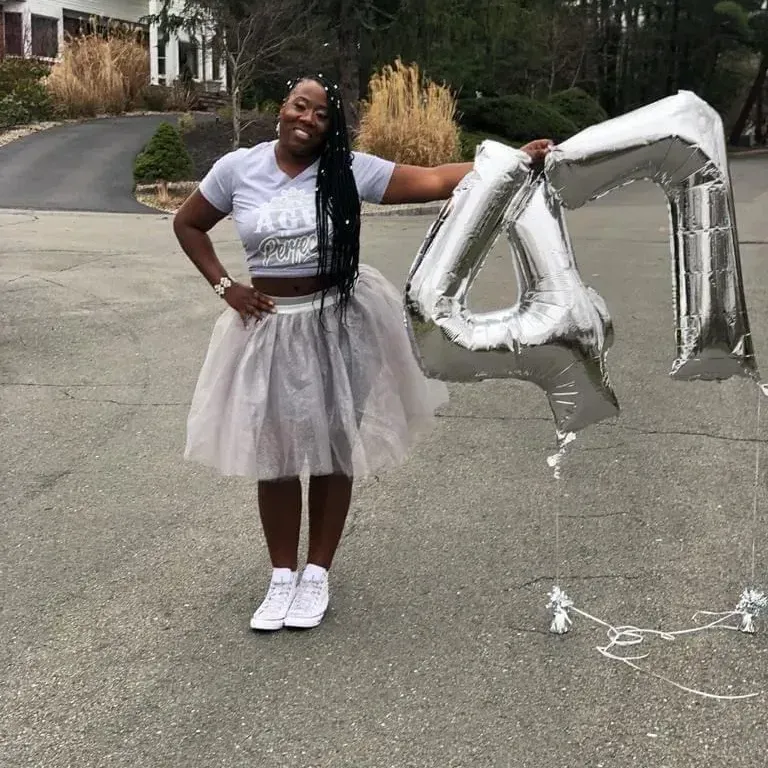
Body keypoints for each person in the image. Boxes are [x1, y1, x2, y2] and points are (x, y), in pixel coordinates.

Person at [173, 73, 551, 632]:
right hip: (271, 325)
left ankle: (317, 573)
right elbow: (188, 223)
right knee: (275, 453)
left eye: (322, 114)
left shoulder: (345, 169)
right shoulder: (237, 170)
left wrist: (510, 164)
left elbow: (431, 179)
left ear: (332, 126)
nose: (308, 119)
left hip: (337, 320)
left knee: (332, 444)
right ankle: (281, 575)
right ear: (283, 108)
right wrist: (225, 287)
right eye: (301, 106)